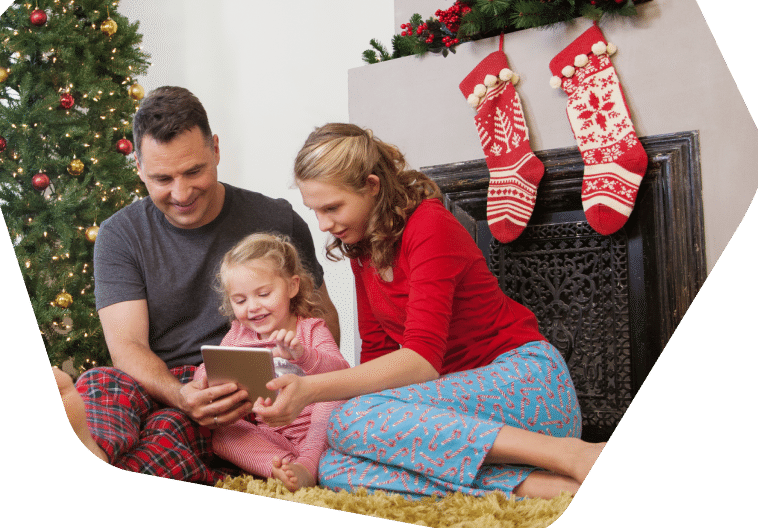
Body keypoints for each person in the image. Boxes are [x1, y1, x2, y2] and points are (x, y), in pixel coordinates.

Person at [252, 123, 605, 500]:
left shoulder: (430, 224)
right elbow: (377, 354)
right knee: (335, 467)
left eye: (332, 207)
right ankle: (532, 485)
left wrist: (310, 390)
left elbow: (421, 362)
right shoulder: (363, 249)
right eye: (315, 211)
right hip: (458, 413)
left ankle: (571, 454)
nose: (324, 224)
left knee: (348, 420)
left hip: (528, 384)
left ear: (372, 185)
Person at [72, 86, 339, 484]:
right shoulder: (120, 235)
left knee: (168, 430)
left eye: (193, 171)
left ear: (215, 149)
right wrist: (180, 395)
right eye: (162, 178)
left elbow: (321, 319)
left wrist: (289, 365)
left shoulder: (275, 220)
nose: (180, 193)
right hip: (160, 379)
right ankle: (90, 451)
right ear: (139, 169)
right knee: (100, 381)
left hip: (234, 394)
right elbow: (127, 346)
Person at [192, 233, 349, 491]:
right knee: (220, 431)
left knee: (333, 399)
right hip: (273, 435)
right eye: (240, 300)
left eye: (264, 294)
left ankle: (308, 465)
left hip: (319, 431)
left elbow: (342, 374)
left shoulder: (310, 330)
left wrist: (303, 356)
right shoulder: (237, 335)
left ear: (292, 286)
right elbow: (211, 371)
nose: (252, 307)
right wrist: (204, 379)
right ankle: (282, 467)